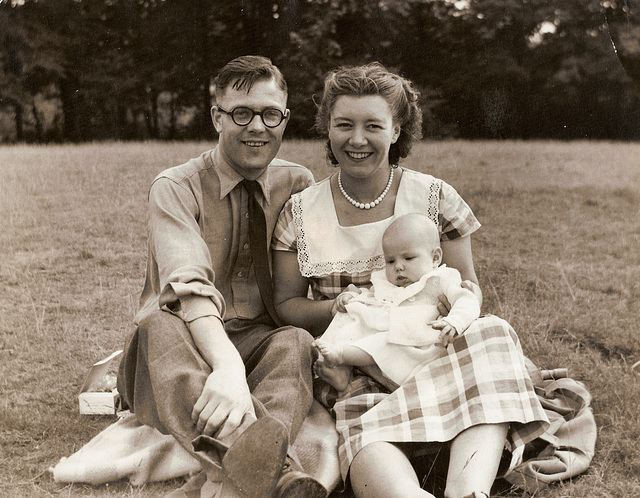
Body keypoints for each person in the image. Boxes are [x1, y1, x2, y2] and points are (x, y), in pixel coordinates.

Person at [271, 63, 549, 498]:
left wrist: (446, 313)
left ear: (397, 130)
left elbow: (469, 286)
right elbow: (285, 305)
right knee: (358, 423)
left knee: (494, 331)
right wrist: (338, 305)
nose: (357, 139)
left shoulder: (435, 199)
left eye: (373, 126)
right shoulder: (300, 212)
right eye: (343, 124)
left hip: (433, 352)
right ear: (327, 129)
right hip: (358, 363)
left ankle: (468, 492)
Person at [117, 55, 326, 498]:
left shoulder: (298, 183)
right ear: (217, 116)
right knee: (158, 321)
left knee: (297, 341)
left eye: (271, 114)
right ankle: (276, 471)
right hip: (184, 345)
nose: (257, 127)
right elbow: (187, 288)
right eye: (241, 113)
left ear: (285, 119)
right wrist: (226, 366)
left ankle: (243, 470)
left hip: (258, 341)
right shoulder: (175, 186)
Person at [313, 213, 481, 391]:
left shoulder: (441, 279)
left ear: (435, 258)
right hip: (382, 356)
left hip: (415, 349)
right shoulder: (390, 284)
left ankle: (340, 355)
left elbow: (467, 299)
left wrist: (454, 321)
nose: (398, 266)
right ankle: (341, 372)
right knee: (352, 316)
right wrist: (354, 298)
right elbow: (375, 299)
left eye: (408, 258)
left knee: (387, 340)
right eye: (390, 261)